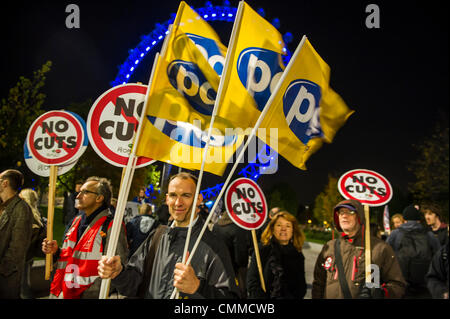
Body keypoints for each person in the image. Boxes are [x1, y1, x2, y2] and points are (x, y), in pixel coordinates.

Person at [98, 172, 240, 299]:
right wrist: (119, 273)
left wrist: (198, 287)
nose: (178, 203)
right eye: (173, 195)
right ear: (167, 199)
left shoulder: (214, 245)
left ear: (198, 199)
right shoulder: (157, 236)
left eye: (186, 195)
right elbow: (134, 285)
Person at [42, 176, 128, 299]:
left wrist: (93, 292)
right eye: (79, 191)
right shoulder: (76, 221)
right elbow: (72, 257)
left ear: (99, 198)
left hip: (90, 294)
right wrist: (56, 251)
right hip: (65, 290)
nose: (78, 196)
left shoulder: (112, 226)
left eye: (85, 192)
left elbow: (117, 267)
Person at [312, 199, 406, 299]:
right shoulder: (329, 247)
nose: (344, 215)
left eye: (350, 212)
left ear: (359, 217)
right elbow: (318, 283)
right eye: (341, 212)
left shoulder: (380, 248)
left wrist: (381, 293)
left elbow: (398, 285)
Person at [247, 211, 307, 299]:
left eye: (288, 226)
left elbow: (301, 288)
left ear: (293, 230)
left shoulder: (297, 254)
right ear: (272, 228)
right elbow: (252, 282)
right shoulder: (262, 249)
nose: (283, 229)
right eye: (279, 225)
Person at [386, 204, 440, 298]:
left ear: (405, 219)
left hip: (402, 282)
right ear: (419, 219)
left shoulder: (396, 233)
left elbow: (385, 253)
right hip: (425, 283)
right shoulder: (428, 234)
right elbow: (439, 256)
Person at [0, 169, 34, 299]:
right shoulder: (3, 205)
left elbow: (17, 248)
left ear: (5, 183)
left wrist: (3, 269)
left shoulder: (22, 209)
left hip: (6, 276)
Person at [214, 209, 251, 298]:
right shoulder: (237, 228)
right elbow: (240, 252)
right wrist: (242, 266)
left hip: (218, 264)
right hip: (234, 267)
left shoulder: (216, 226)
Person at [19, 188, 46, 299]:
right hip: (28, 258)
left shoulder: (23, 217)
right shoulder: (39, 219)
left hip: (16, 258)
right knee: (24, 286)